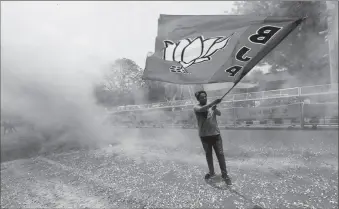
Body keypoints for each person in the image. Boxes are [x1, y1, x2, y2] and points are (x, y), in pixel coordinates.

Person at [193, 90, 232, 186]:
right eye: (202, 97)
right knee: (209, 155)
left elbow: (219, 114)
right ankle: (211, 172)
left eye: (205, 96)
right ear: (198, 99)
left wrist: (215, 109)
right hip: (204, 136)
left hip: (215, 135)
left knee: (220, 154)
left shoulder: (211, 107)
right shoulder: (196, 107)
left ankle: (225, 175)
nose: (204, 98)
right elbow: (203, 109)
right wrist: (214, 103)